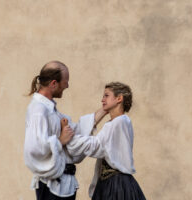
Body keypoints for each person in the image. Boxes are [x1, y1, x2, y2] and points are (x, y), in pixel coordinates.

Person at [24, 61, 106, 200]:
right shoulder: (39, 110)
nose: (67, 85)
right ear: (54, 83)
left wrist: (105, 110)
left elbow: (76, 131)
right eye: (65, 81)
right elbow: (34, 148)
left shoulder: (51, 111)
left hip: (62, 186)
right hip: (51, 188)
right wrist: (60, 141)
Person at [67, 82, 146, 200]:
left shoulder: (120, 122)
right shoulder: (116, 122)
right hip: (108, 182)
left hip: (117, 185)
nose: (102, 99)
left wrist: (69, 138)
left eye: (106, 96)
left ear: (119, 98)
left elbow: (97, 145)